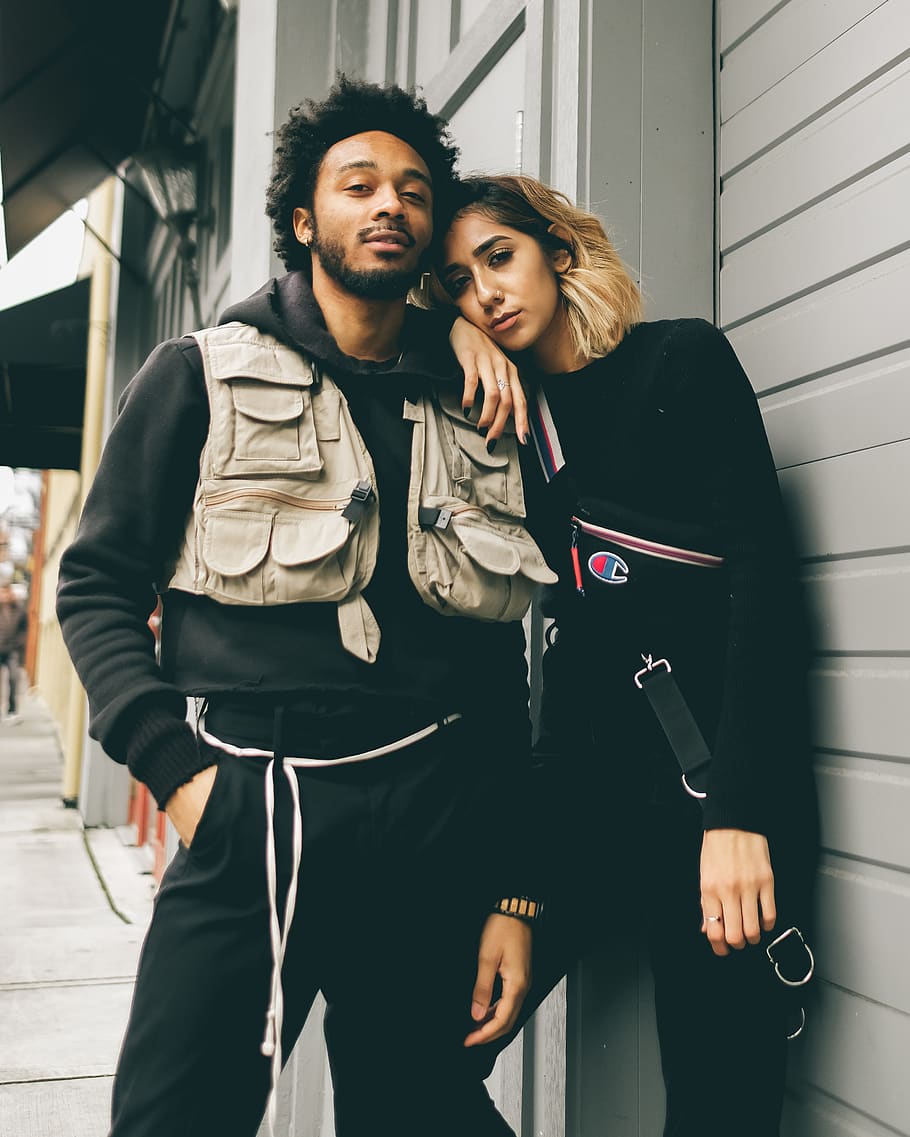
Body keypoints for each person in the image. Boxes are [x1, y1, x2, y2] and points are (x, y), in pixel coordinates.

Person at [56, 79, 556, 1137]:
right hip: (254, 804)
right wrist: (180, 776)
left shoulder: (472, 403)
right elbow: (95, 584)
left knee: (419, 1108)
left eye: (413, 192)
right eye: (359, 184)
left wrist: (513, 892)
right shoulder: (197, 373)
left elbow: (493, 662)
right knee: (174, 1113)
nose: (389, 205)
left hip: (434, 816)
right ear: (301, 219)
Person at [436, 174, 820, 1136]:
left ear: (558, 255)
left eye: (498, 258)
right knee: (420, 1043)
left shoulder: (680, 362)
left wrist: (738, 817)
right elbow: (344, 310)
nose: (483, 291)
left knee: (717, 1109)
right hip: (587, 802)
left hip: (715, 803)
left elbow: (763, 595)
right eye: (456, 283)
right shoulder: (511, 426)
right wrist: (519, 890)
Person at [0, 582, 27, 723]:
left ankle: (12, 710)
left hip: (12, 650)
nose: (4, 596)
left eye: (6, 592)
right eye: (1, 592)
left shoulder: (19, 610)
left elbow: (24, 629)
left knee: (13, 679)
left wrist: (19, 644)